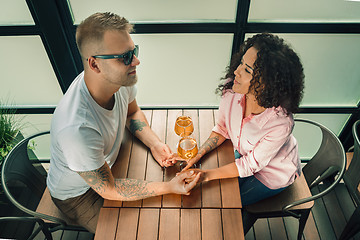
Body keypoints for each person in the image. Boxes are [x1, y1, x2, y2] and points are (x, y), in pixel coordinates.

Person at [47, 12, 201, 233]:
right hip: (78, 195)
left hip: (108, 162)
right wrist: (169, 187)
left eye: (134, 51)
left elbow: (132, 113)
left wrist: (155, 144)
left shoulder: (119, 80)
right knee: (140, 231)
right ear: (95, 64)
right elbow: (108, 189)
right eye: (125, 57)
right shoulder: (77, 129)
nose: (136, 61)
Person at [179, 33, 305, 206]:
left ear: (268, 83)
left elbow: (250, 165)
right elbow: (223, 129)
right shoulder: (232, 90)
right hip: (247, 153)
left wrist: (206, 175)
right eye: (241, 63)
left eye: (247, 70)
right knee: (212, 192)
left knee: (230, 204)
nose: (236, 71)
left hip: (274, 173)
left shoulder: (280, 123)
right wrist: (199, 154)